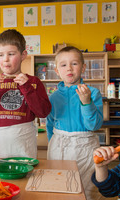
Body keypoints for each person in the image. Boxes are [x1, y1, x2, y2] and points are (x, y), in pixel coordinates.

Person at [0, 29, 51, 159]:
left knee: (24, 177)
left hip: (23, 142)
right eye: (1, 55)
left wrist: (27, 88)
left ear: (23, 55)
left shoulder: (33, 82)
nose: (5, 60)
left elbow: (43, 112)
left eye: (11, 54)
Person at [46, 46, 103, 199]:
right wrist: (53, 143)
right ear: (57, 71)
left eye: (74, 64)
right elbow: (50, 124)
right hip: (59, 145)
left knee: (86, 188)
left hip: (85, 146)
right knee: (58, 185)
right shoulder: (53, 97)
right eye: (63, 65)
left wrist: (86, 102)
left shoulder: (93, 93)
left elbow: (94, 125)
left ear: (83, 67)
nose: (69, 68)